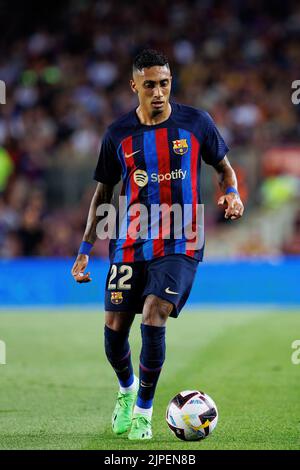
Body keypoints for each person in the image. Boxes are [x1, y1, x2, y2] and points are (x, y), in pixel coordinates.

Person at [71, 49, 244, 440]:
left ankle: (144, 414)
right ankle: (127, 392)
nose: (158, 92)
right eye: (149, 84)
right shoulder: (117, 134)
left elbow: (224, 168)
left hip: (182, 236)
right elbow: (103, 195)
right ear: (134, 85)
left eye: (164, 83)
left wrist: (232, 193)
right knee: (115, 331)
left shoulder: (196, 123)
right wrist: (83, 251)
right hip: (130, 240)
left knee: (155, 311)